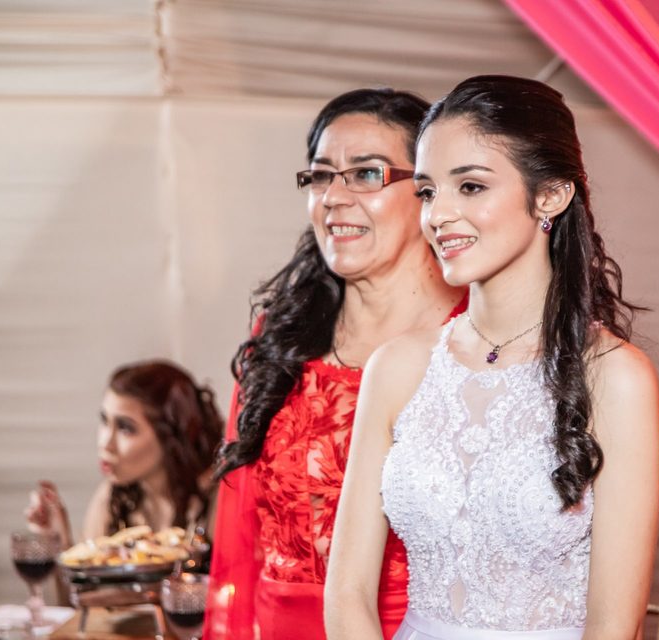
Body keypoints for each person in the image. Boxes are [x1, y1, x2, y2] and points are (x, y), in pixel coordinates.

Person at [325, 75, 659, 640]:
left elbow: (613, 626)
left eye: (471, 186)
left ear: (550, 196)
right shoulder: (398, 367)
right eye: (428, 191)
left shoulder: (615, 376)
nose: (438, 215)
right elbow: (348, 593)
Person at [202, 88, 467, 640]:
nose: (333, 198)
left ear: (427, 191)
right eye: (322, 176)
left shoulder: (473, 340)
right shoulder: (283, 337)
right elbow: (240, 538)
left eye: (366, 174)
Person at [26, 359, 224, 548]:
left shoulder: (219, 500)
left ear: (170, 436)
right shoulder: (114, 498)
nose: (105, 444)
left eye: (125, 428)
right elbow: (91, 571)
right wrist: (58, 540)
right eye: (105, 421)